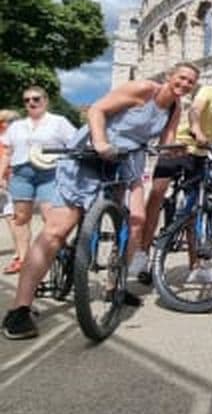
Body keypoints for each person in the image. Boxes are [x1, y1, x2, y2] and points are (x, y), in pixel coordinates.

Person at [1, 62, 199, 339]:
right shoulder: (142, 89)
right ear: (169, 76)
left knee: (137, 221)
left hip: (127, 161)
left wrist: (181, 151)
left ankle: (114, 284)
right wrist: (101, 141)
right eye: (181, 78)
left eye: (191, 82)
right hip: (94, 152)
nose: (185, 84)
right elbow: (97, 110)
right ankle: (19, 309)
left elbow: (165, 141)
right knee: (57, 230)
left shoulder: (175, 108)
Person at [138, 63, 212, 284]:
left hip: (201, 153)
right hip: (179, 146)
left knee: (194, 209)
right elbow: (195, 110)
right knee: (157, 196)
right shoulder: (208, 91)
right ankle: (143, 255)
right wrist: (196, 129)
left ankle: (195, 265)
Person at [0, 88, 76, 275]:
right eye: (27, 100)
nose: (31, 103)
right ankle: (24, 260)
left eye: (36, 99)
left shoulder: (59, 122)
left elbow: (74, 144)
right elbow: (8, 152)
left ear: (45, 100)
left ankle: (58, 252)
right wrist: (1, 174)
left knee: (50, 217)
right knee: (21, 218)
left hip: (49, 173)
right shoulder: (17, 126)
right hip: (21, 174)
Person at [0, 110, 21, 271]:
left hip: (7, 181)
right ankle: (19, 253)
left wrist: (3, 177)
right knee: (11, 217)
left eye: (2, 122)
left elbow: (8, 160)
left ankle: (20, 254)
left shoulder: (9, 139)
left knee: (11, 218)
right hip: (7, 180)